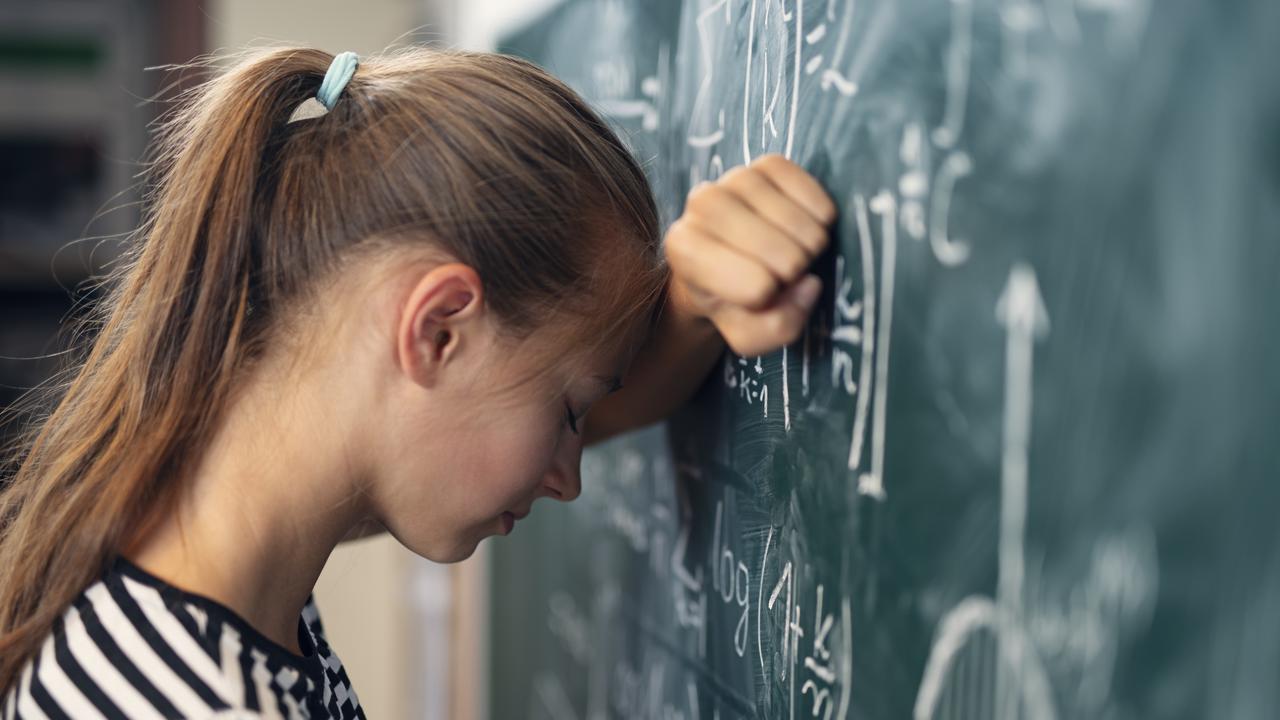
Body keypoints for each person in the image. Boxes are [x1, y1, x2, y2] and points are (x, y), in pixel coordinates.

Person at [0, 46, 835, 718]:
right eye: (572, 412)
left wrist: (693, 303)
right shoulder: (199, 694)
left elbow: (522, 411)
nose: (570, 477)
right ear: (437, 331)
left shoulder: (194, 539)